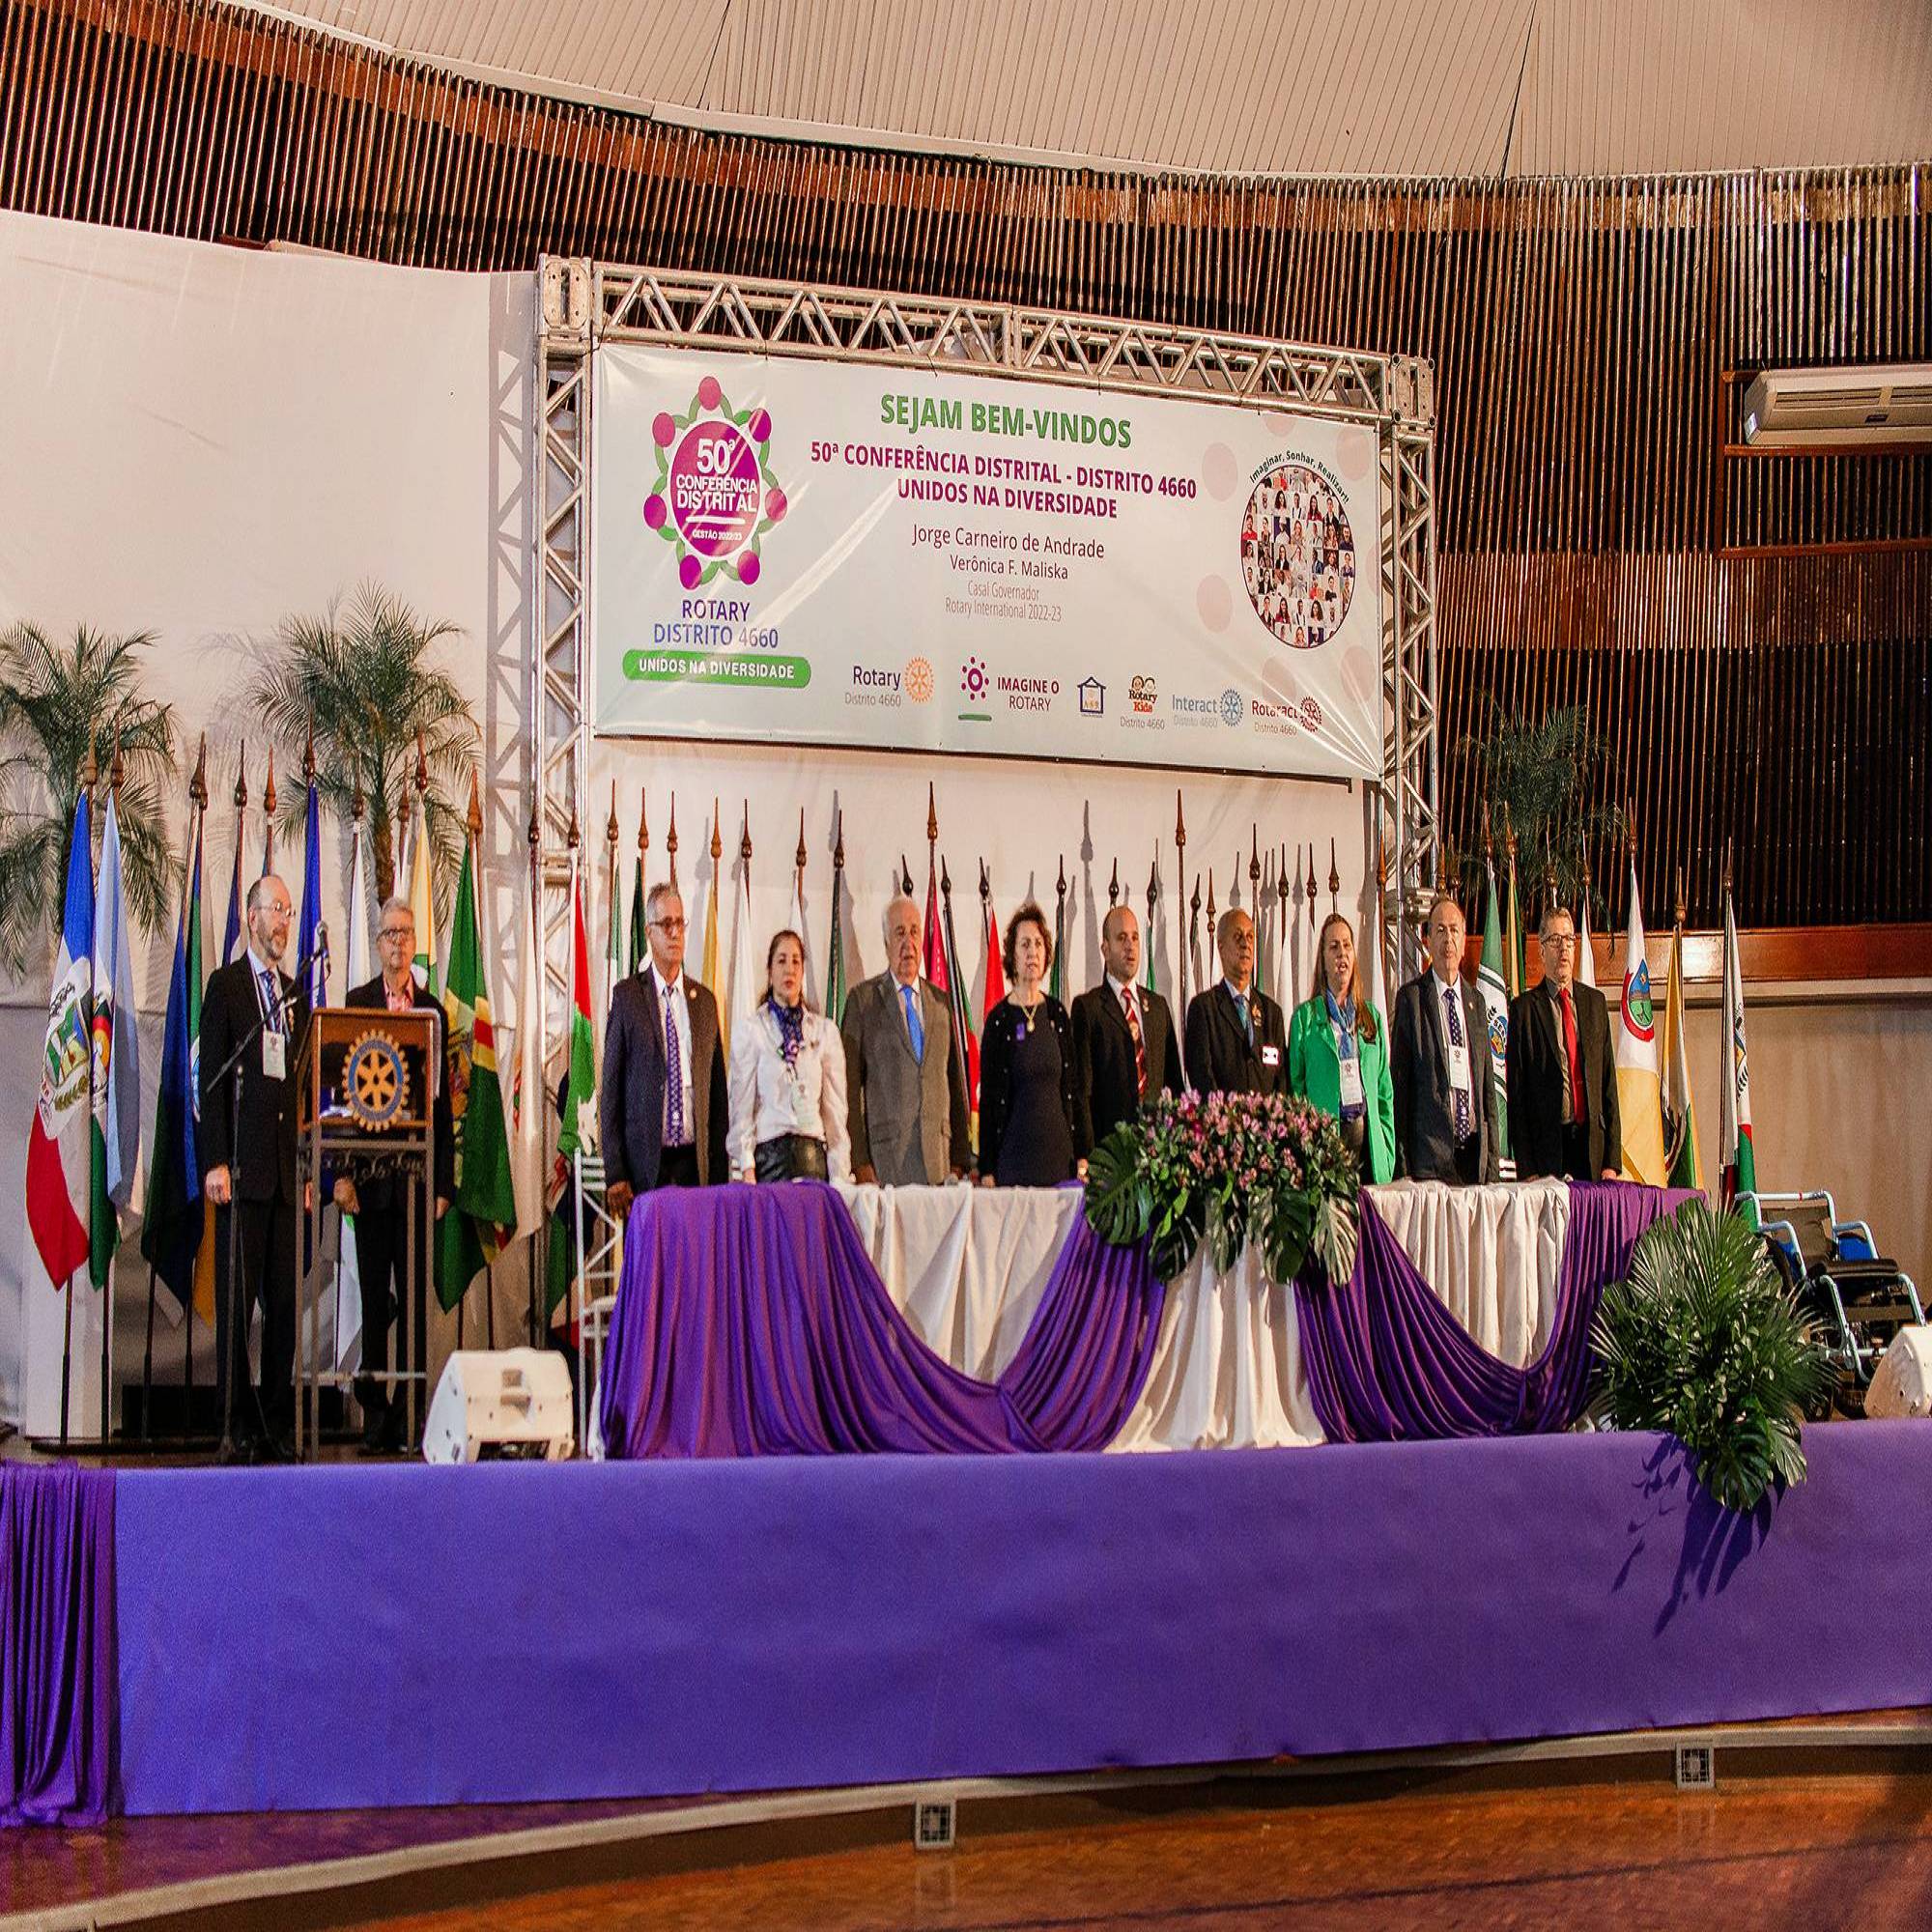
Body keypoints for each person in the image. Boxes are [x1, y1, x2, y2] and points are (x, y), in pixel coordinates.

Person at [333, 897, 452, 1453]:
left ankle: (410, 1417)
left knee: (414, 1303)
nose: (398, 943)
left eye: (406, 933)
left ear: (415, 943)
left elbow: (442, 1104)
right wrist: (341, 1175)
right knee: (375, 1305)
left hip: (416, 1180)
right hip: (368, 1182)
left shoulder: (432, 1011)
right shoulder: (357, 1003)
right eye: (389, 934)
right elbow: (340, 1097)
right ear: (378, 944)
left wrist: (444, 1184)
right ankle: (376, 1417)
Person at [198, 873, 306, 1463]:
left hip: (286, 1176)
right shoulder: (227, 986)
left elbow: (303, 1088)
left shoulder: (295, 994)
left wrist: (309, 1170)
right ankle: (234, 1423)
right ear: (251, 916)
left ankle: (277, 1424)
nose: (284, 920)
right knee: (238, 1308)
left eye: (288, 910)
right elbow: (210, 1081)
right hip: (240, 1172)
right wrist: (215, 1159)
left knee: (284, 1308)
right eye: (275, 909)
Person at [601, 881, 728, 1221]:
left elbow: (717, 1097)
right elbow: (611, 1091)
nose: (675, 933)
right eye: (666, 924)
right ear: (649, 932)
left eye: (680, 923)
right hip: (645, 1168)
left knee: (696, 1252)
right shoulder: (628, 998)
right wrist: (615, 1172)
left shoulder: (704, 1003)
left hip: (695, 1167)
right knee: (651, 1254)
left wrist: (720, 1174)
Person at [841, 893, 970, 1185]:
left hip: (940, 1167)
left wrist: (960, 1160)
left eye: (914, 932)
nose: (908, 943)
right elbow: (849, 1089)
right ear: (886, 942)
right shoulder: (862, 1002)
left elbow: (953, 1081)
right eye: (899, 933)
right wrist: (859, 1164)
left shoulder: (941, 1003)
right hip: (886, 1167)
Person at [1390, 894, 1501, 1183]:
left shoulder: (1476, 1002)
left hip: (1474, 1161)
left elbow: (1487, 1093)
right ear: (1427, 941)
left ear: (1464, 942)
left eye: (1454, 930)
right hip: (1429, 1163)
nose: (1448, 939)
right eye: (1440, 930)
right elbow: (1400, 1092)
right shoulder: (1411, 1000)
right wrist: (1403, 1169)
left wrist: (1492, 1167)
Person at [1508, 902, 1622, 1181]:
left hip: (1592, 1149)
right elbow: (1517, 1097)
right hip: (1547, 1151)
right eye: (1555, 940)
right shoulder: (1524, 1010)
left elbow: (1608, 1084)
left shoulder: (1595, 1004)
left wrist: (1612, 1161)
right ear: (1541, 950)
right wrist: (1527, 1168)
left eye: (1569, 940)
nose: (1563, 949)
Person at [728, 928, 851, 1182]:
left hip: (813, 1158)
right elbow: (741, 1108)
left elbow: (835, 1113)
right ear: (770, 971)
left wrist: (839, 1175)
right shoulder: (752, 1031)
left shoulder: (824, 1032)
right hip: (770, 1159)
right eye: (782, 961)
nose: (789, 970)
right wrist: (747, 1168)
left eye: (796, 961)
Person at [1289, 912, 1396, 1183]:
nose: (1342, 954)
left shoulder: (1371, 1017)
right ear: (1323, 960)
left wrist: (1387, 1148)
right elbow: (1295, 1093)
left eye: (1347, 945)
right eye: (1334, 947)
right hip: (1324, 1151)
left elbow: (1384, 1092)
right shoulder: (1304, 1019)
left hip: (1369, 1151)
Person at [1070, 903, 1184, 1154]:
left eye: (1134, 937)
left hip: (1156, 1151)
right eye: (1121, 938)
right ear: (1105, 948)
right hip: (1110, 1152)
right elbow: (1081, 1092)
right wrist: (1086, 1154)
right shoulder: (1088, 1008)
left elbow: (1174, 1084)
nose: (1130, 946)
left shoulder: (1157, 1007)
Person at [978, 902, 1078, 1186]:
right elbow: (989, 1100)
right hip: (1014, 1162)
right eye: (1024, 944)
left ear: (1046, 954)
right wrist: (987, 1169)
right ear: (1012, 955)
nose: (1032, 952)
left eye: (1038, 944)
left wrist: (1082, 1153)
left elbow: (1073, 1088)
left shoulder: (1058, 1015)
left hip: (1059, 1160)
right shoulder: (999, 1020)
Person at [1184, 907, 1288, 1096]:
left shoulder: (1272, 1013)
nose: (1245, 944)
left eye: (1250, 937)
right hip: (1221, 1115)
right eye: (1238, 936)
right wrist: (1226, 1114)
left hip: (1267, 1116)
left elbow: (1281, 1081)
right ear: (1221, 947)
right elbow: (1202, 1076)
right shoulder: (1204, 1009)